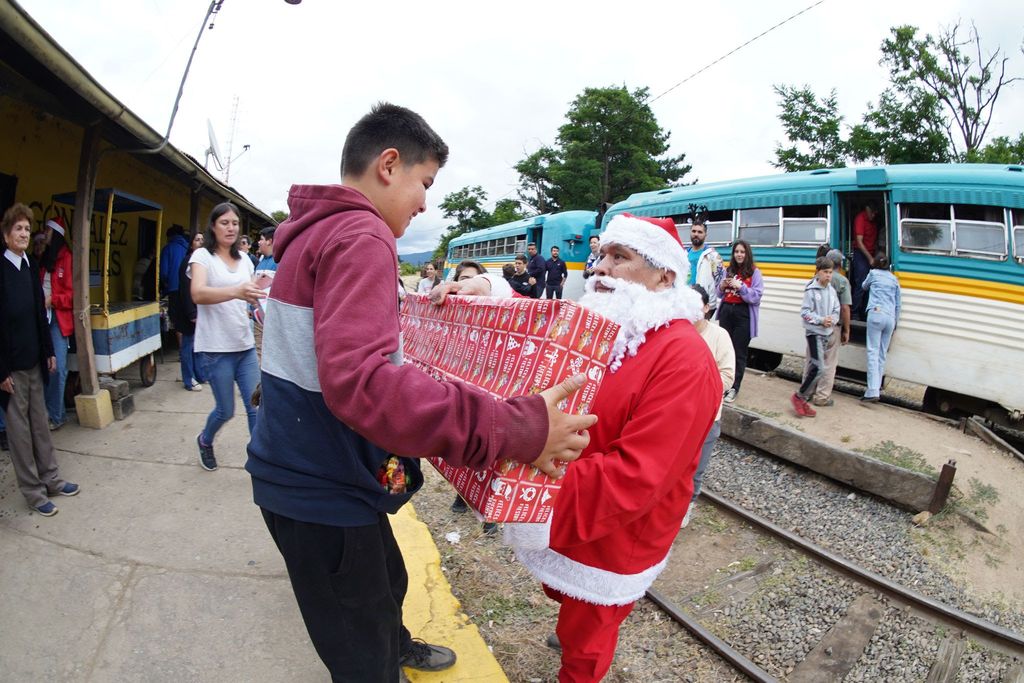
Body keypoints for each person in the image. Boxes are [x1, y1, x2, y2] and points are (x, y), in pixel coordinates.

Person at [244, 102, 593, 683]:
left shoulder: (315, 235)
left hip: (317, 471)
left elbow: (343, 349)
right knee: (360, 652)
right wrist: (518, 427)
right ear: (388, 165)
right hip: (320, 487)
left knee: (386, 579)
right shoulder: (362, 234)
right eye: (424, 183)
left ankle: (394, 645)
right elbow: (363, 383)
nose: (426, 203)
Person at [506, 212, 720, 683]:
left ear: (664, 275)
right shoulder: (613, 329)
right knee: (568, 604)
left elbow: (638, 474)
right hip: (579, 501)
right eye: (601, 254)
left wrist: (528, 479)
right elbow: (531, 326)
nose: (599, 268)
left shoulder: (684, 358)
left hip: (618, 527)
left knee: (589, 638)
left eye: (618, 257)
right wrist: (479, 288)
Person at [1, 203, 80, 516]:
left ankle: (52, 479)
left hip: (35, 360)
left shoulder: (30, 267)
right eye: (17, 229)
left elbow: (38, 313)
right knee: (19, 434)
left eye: (26, 228)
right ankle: (33, 492)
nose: (23, 234)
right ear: (6, 234)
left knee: (41, 425)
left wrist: (48, 350)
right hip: (11, 369)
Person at [188, 203, 264, 471]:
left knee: (256, 407)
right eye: (224, 223)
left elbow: (248, 295)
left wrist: (258, 304)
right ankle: (205, 440)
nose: (231, 228)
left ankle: (260, 458)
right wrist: (237, 292)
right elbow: (197, 294)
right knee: (225, 410)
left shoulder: (245, 259)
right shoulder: (202, 256)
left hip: (243, 346)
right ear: (213, 226)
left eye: (234, 223)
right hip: (216, 348)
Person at [683, 284, 735, 528]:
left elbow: (727, 375)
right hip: (676, 415)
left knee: (697, 469)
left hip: (706, 416)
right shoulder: (676, 332)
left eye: (696, 306)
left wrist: (698, 391)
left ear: (706, 307)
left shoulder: (719, 336)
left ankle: (687, 507)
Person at [791, 256, 839, 418]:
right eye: (825, 272)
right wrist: (820, 320)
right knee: (819, 368)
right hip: (814, 333)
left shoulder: (831, 291)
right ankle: (799, 397)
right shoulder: (811, 290)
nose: (828, 275)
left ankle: (803, 399)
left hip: (827, 332)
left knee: (816, 367)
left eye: (830, 272)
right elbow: (805, 313)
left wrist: (832, 320)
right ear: (818, 272)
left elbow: (836, 310)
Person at [716, 239, 762, 403]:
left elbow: (756, 296)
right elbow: (719, 294)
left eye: (742, 252)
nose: (739, 255)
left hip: (744, 315)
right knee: (724, 350)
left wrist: (741, 287)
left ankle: (734, 387)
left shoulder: (755, 272)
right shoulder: (728, 270)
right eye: (736, 252)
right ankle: (723, 386)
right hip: (727, 311)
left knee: (738, 353)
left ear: (747, 253)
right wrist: (722, 286)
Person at [39, 217, 74, 430]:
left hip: (58, 321)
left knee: (58, 369)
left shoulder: (67, 258)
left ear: (56, 235)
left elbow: (72, 296)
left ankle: (56, 415)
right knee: (44, 369)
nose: (44, 235)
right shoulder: (44, 258)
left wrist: (53, 300)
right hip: (42, 319)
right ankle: (53, 413)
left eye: (48, 232)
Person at [810, 248, 851, 407]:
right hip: (832, 327)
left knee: (812, 361)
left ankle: (806, 393)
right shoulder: (842, 281)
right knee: (828, 362)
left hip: (815, 325)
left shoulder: (816, 277)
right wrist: (846, 329)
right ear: (840, 264)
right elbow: (845, 308)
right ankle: (821, 397)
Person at [861, 253, 901, 403]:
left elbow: (863, 286)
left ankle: (872, 391)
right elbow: (898, 304)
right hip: (890, 318)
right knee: (882, 355)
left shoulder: (873, 273)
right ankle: (875, 389)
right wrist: (895, 322)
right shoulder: (894, 279)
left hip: (876, 314)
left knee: (872, 352)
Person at [172, 232, 205, 392]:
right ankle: (188, 379)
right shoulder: (188, 262)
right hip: (188, 311)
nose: (200, 242)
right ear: (191, 244)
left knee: (196, 346)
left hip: (198, 309)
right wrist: (192, 313)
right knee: (187, 345)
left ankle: (199, 375)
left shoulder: (200, 261)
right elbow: (185, 290)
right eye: (197, 240)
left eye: (202, 240)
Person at [685, 219, 725, 316]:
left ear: (705, 235)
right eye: (694, 231)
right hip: (685, 302)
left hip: (703, 303)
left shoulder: (713, 256)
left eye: (700, 232)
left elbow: (719, 281)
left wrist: (711, 304)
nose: (696, 234)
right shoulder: (684, 254)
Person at [851, 203, 878, 319]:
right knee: (861, 284)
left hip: (871, 253)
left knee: (870, 285)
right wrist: (870, 258)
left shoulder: (873, 222)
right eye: (872, 213)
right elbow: (859, 242)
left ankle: (865, 312)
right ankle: (855, 313)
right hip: (861, 254)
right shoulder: (860, 219)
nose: (874, 215)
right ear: (867, 209)